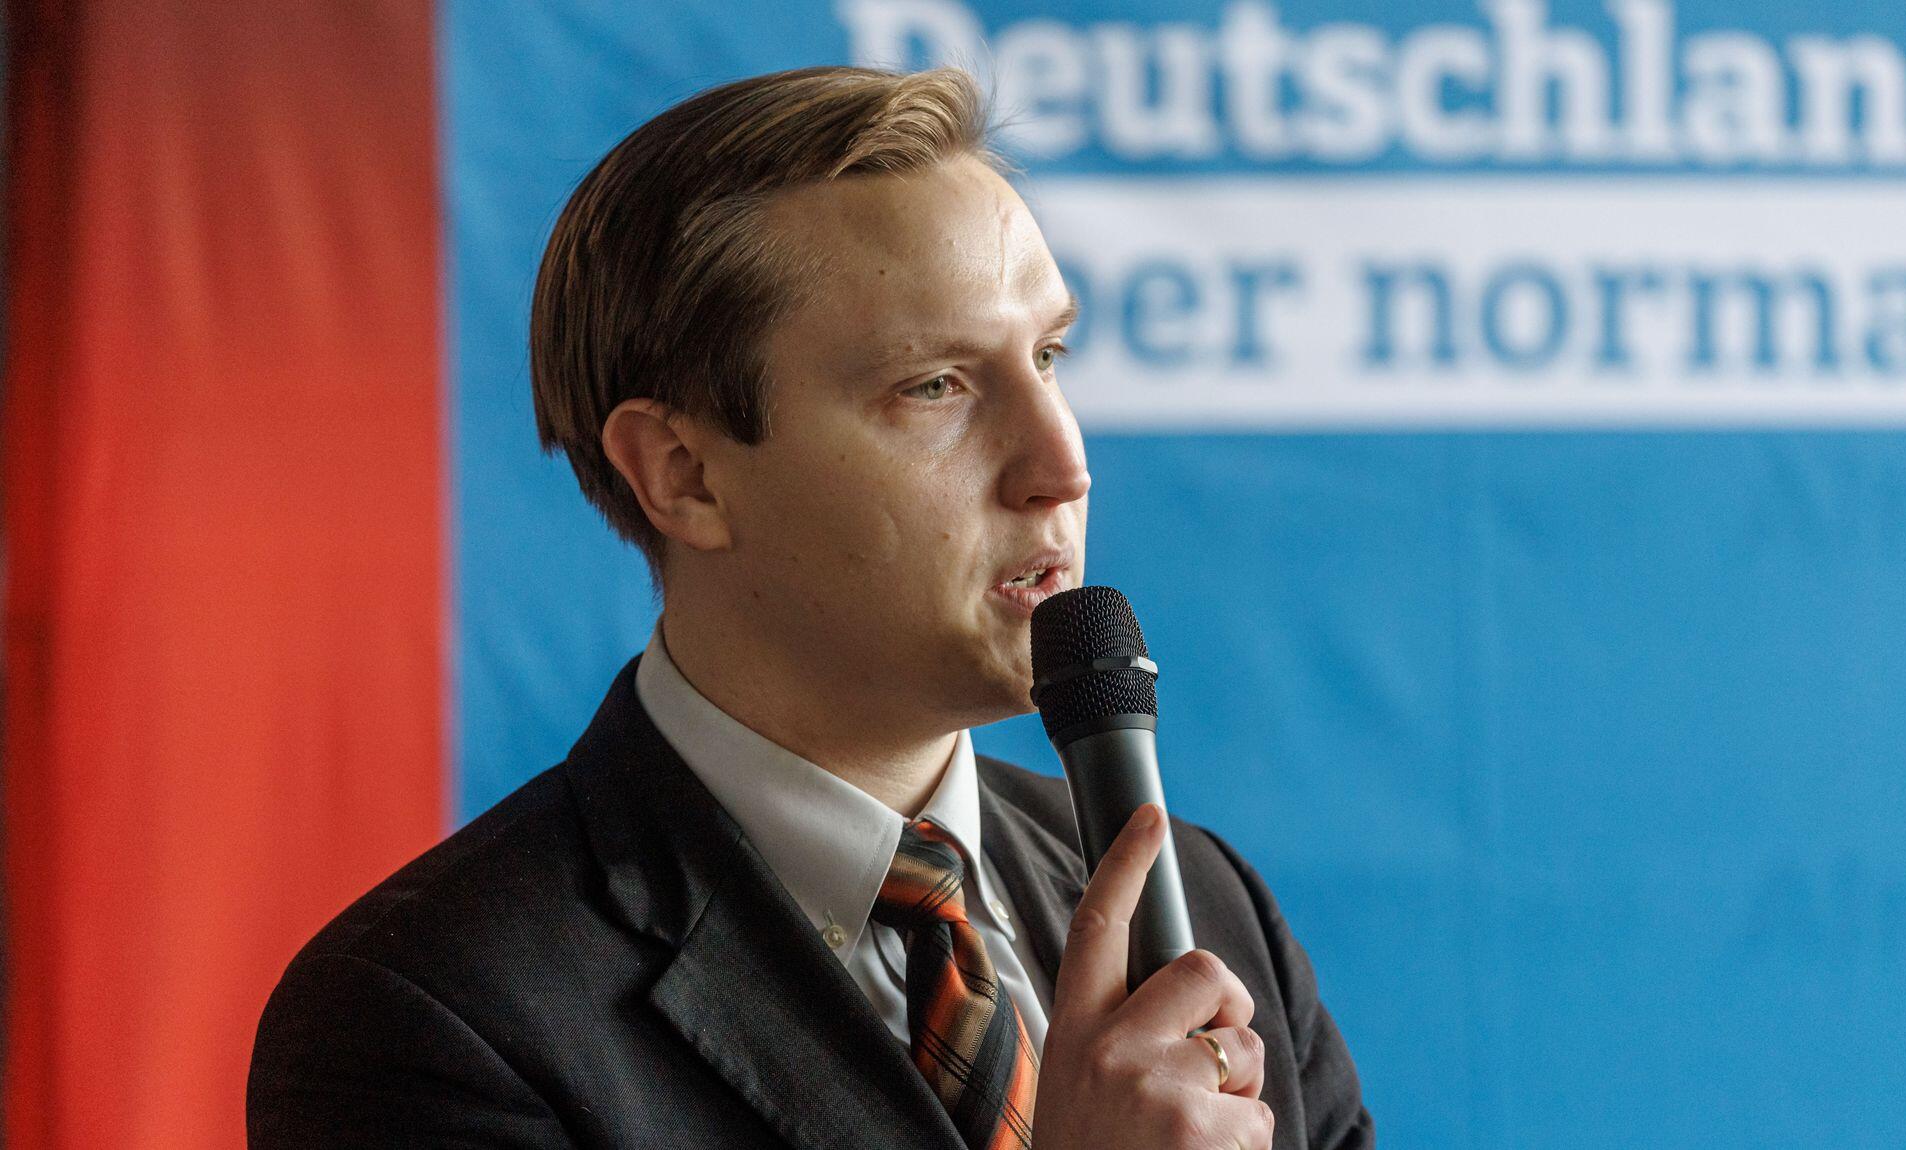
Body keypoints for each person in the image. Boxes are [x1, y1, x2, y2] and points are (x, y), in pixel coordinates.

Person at [248, 65, 1372, 1150]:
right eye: (935, 385)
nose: (1061, 465)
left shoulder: (1210, 907)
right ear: (684, 473)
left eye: (1048, 354)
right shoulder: (430, 1014)